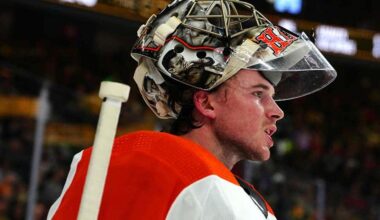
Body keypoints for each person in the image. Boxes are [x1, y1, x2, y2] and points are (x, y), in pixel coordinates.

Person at [48, 0, 337, 219]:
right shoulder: (217, 192)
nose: (277, 112)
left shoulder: (91, 161)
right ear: (205, 101)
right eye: (258, 94)